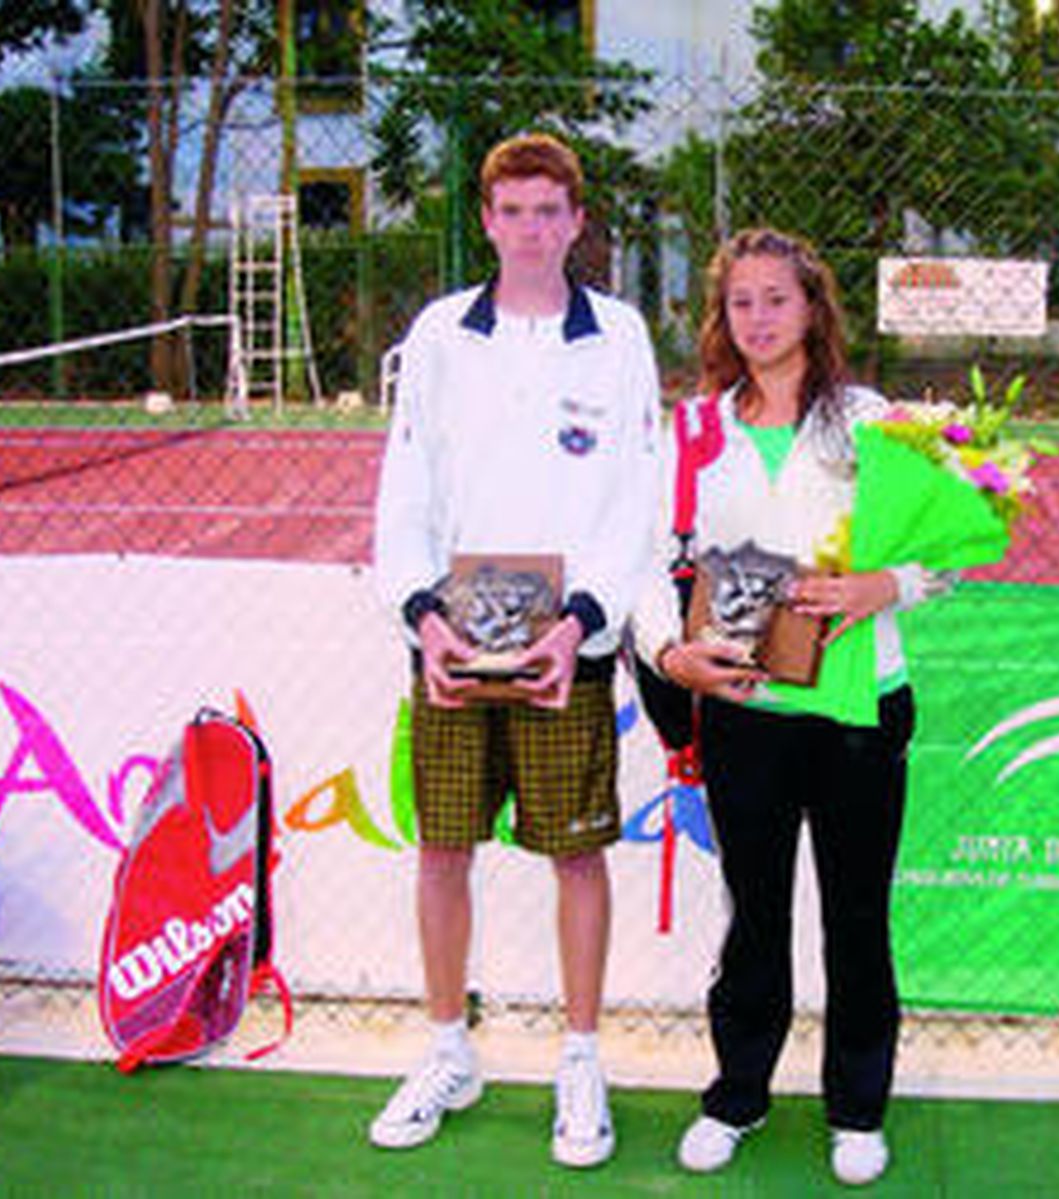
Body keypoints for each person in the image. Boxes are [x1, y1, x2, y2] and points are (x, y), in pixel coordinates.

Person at [632, 228, 951, 1187]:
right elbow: (648, 560)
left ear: (813, 307)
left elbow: (949, 551)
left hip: (860, 711)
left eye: (778, 298)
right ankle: (738, 1093)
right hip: (743, 712)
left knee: (857, 917)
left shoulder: (871, 420)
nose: (760, 318)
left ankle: (857, 1107)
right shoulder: (692, 431)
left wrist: (882, 586)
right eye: (742, 301)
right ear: (722, 316)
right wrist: (668, 650)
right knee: (754, 914)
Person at [369, 132, 661, 1167]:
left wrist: (584, 619)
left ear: (576, 223)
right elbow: (404, 493)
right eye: (513, 211)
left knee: (576, 853)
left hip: (566, 646)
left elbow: (638, 498)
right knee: (443, 847)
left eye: (551, 212)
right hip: (452, 639)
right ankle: (450, 1046)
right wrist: (421, 614)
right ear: (486, 220)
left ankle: (580, 1059)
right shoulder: (441, 334)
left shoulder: (618, 335)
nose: (532, 230)